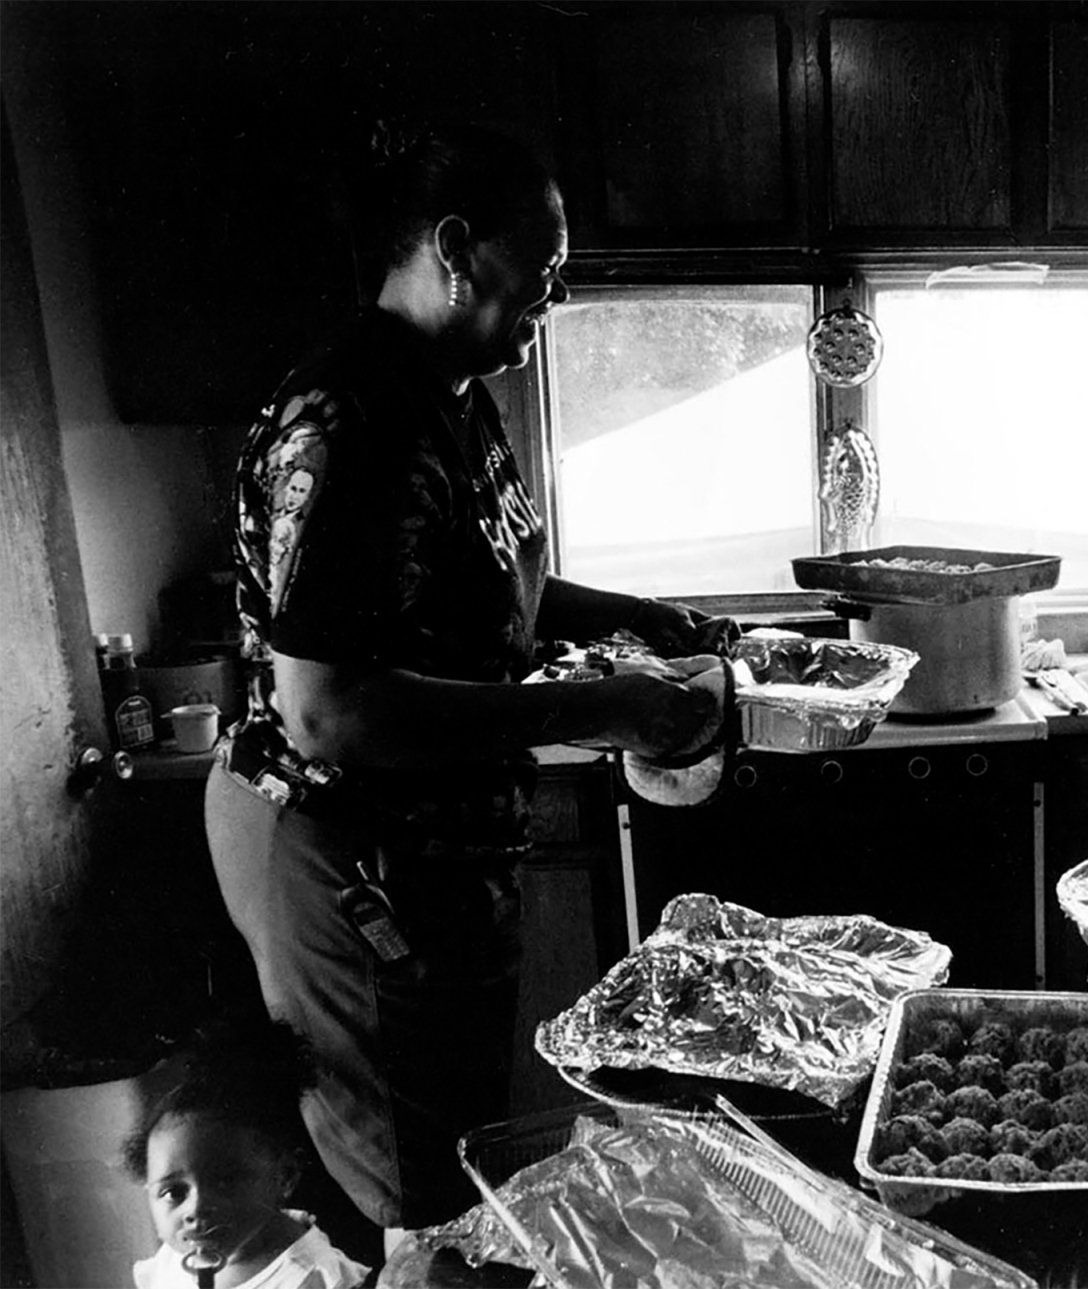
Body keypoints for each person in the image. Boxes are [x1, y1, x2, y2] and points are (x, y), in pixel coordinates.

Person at [204, 118, 737, 1242]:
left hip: (426, 849)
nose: (557, 295)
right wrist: (609, 706)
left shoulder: (447, 393)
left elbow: (495, 584)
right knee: (416, 1186)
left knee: (452, 1141)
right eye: (542, 268)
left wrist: (647, 619)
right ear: (455, 249)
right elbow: (327, 710)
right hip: (345, 850)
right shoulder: (355, 418)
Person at [125, 1021, 369, 1289]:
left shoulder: (316, 1280)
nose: (196, 1208)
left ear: (284, 1176)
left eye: (225, 1182)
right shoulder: (174, 1259)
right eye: (173, 1192)